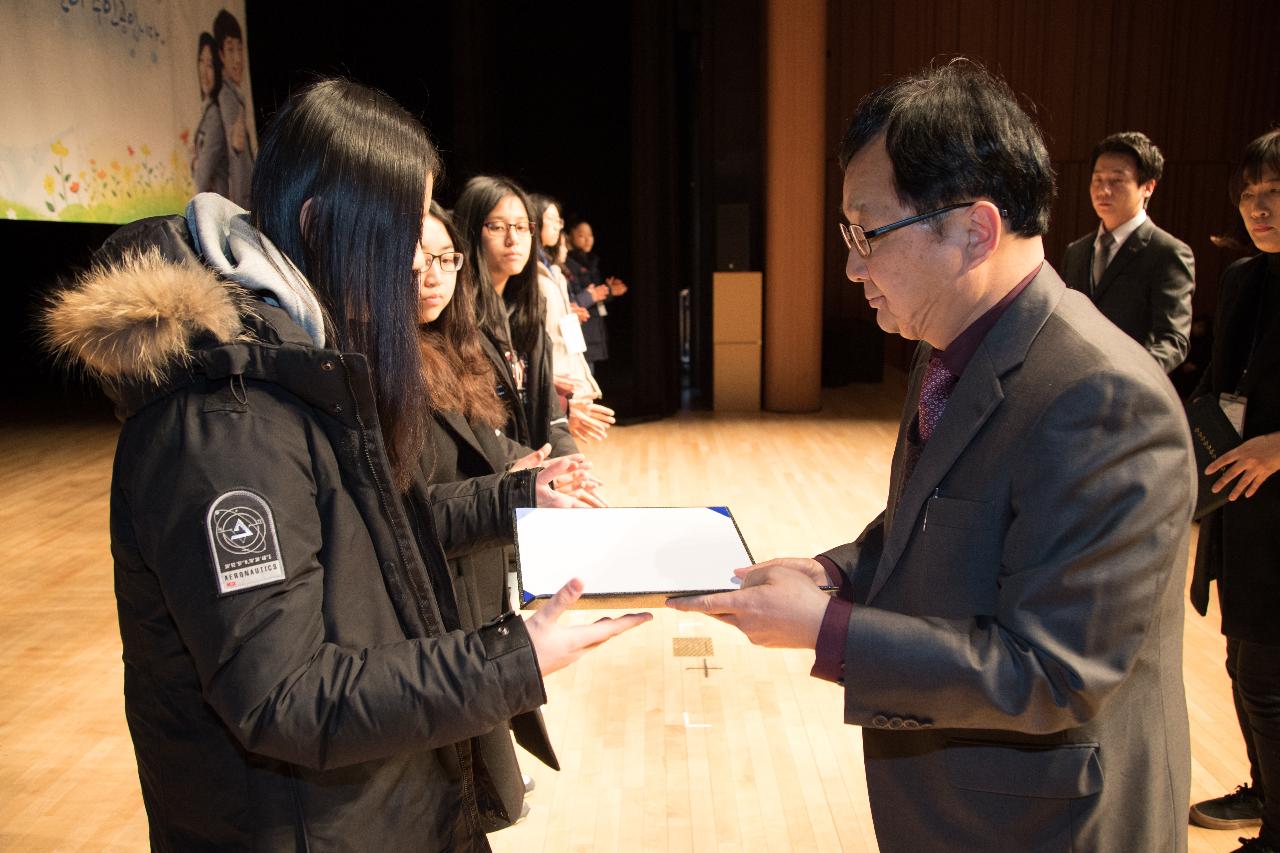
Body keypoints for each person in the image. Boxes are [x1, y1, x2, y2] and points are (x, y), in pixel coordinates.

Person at [42, 78, 648, 851]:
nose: (416, 258)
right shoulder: (225, 417)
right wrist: (508, 657)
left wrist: (515, 496)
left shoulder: (301, 360)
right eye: (403, 227)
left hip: (371, 801)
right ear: (321, 223)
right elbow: (284, 693)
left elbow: (372, 536)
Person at [670, 60, 1195, 853]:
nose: (851, 266)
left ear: (973, 230)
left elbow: (1054, 672)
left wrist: (830, 630)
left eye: (866, 233)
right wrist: (836, 572)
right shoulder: (952, 339)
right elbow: (938, 515)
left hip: (1048, 822)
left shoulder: (1104, 396)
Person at [1188, 128, 1280, 853]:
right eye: (1251, 195)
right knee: (1240, 662)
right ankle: (1262, 788)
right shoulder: (1248, 277)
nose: (1260, 208)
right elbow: (1218, 388)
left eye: (1275, 193)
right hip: (1239, 511)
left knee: (1264, 679)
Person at [455, 176, 585, 458]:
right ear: (471, 231)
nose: (513, 239)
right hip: (493, 483)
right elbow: (477, 428)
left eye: (522, 226)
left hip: (530, 476)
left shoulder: (528, 309)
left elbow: (549, 413)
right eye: (497, 226)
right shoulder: (455, 318)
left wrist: (570, 464)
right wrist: (537, 470)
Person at [1060, 131, 1195, 372]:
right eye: (1098, 179)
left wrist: (1130, 378)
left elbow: (1173, 340)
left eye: (1116, 181)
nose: (1104, 190)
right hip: (1075, 386)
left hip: (1132, 393)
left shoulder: (1167, 252)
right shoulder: (1076, 251)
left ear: (1148, 187)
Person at [529, 193, 614, 444]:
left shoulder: (552, 269)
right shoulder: (530, 269)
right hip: (548, 365)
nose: (558, 226)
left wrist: (572, 309)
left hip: (567, 357)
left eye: (559, 221)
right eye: (552, 220)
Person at [564, 219, 627, 375]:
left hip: (592, 328)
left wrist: (609, 291)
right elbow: (571, 300)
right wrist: (596, 294)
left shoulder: (591, 262)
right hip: (580, 330)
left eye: (590, 235)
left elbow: (594, 295)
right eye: (581, 235)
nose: (587, 239)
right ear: (569, 237)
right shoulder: (569, 264)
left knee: (590, 375)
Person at [213, 9, 254, 208]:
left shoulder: (237, 96)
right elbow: (235, 159)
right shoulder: (226, 97)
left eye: (240, 48)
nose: (238, 58)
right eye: (230, 50)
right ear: (220, 55)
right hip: (238, 211)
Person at [190, 32, 227, 196]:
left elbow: (202, 177)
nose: (204, 72)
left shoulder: (215, 116)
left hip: (215, 211)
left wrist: (196, 163)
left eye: (210, 65)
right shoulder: (207, 110)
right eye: (201, 62)